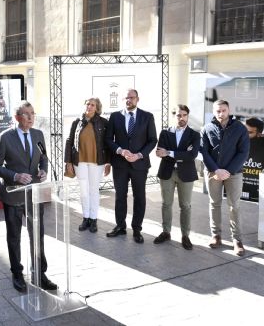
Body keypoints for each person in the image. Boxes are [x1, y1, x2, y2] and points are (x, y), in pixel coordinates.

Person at [0, 101, 57, 293]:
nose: (30, 117)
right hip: (13, 195)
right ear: (17, 117)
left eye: (32, 113)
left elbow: (43, 158)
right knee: (14, 236)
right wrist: (15, 176)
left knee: (37, 235)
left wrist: (43, 171)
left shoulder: (38, 135)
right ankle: (17, 274)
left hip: (34, 194)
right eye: (26, 114)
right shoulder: (5, 137)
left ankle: (39, 274)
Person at [105, 89, 157, 244]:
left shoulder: (147, 117)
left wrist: (139, 155)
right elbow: (108, 139)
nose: (128, 100)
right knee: (120, 196)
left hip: (139, 165)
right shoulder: (115, 117)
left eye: (131, 98)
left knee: (139, 198)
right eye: (126, 98)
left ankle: (137, 229)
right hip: (120, 164)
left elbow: (153, 140)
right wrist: (120, 150)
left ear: (137, 99)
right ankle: (120, 226)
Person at [200, 100, 250, 256]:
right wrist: (215, 170)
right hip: (212, 173)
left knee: (234, 205)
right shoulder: (207, 128)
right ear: (214, 112)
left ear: (229, 110)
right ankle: (216, 236)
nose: (220, 113)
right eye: (218, 111)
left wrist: (227, 171)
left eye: (223, 110)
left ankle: (237, 240)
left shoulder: (240, 128)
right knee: (214, 203)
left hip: (233, 173)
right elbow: (204, 152)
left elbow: (243, 152)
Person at [154, 105, 200, 250]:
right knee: (166, 204)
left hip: (186, 174)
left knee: (185, 205)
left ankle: (185, 235)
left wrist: (170, 152)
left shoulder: (194, 135)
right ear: (174, 116)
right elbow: (160, 152)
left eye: (184, 115)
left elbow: (192, 155)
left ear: (188, 116)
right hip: (167, 172)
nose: (181, 118)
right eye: (178, 115)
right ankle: (166, 232)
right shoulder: (165, 133)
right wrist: (179, 153)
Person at [64, 97, 111, 233]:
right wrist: (68, 161)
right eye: (88, 104)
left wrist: (108, 162)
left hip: (97, 162)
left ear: (97, 108)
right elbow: (69, 141)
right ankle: (86, 218)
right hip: (80, 161)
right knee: (84, 191)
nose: (89, 106)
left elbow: (108, 143)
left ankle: (94, 219)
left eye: (93, 105)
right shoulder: (77, 122)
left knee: (94, 190)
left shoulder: (103, 122)